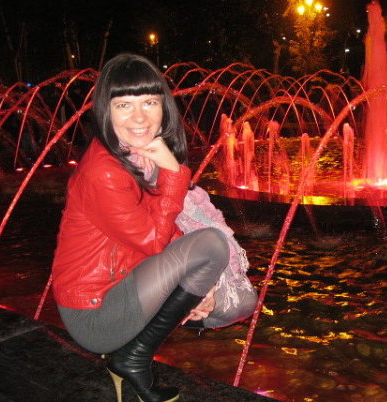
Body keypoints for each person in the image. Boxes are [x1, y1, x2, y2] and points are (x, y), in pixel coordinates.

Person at [52, 53, 257, 402]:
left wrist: (203, 285)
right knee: (211, 245)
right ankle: (132, 358)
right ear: (105, 111)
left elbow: (169, 232)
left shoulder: (141, 158)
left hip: (128, 283)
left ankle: (131, 354)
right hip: (95, 312)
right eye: (124, 105)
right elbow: (153, 241)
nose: (140, 118)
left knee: (237, 302)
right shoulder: (104, 171)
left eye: (149, 102)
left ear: (164, 106)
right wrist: (173, 172)